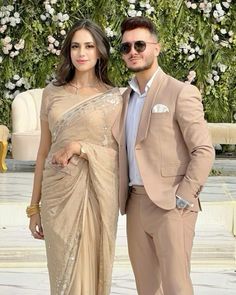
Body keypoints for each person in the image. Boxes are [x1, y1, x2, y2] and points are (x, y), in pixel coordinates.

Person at [112, 16, 215, 295]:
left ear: (157, 48)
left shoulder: (181, 92)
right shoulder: (124, 98)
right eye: (126, 47)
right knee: (146, 288)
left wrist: (184, 196)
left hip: (171, 205)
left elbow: (203, 150)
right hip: (135, 204)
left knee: (176, 287)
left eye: (140, 44)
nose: (133, 51)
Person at [27, 19, 122, 295]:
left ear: (100, 52)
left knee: (89, 270)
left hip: (95, 195)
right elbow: (43, 151)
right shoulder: (52, 94)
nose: (82, 53)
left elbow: (119, 154)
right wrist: (35, 207)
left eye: (89, 46)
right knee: (61, 276)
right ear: (68, 51)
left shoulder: (114, 98)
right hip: (58, 198)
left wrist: (82, 148)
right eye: (76, 46)